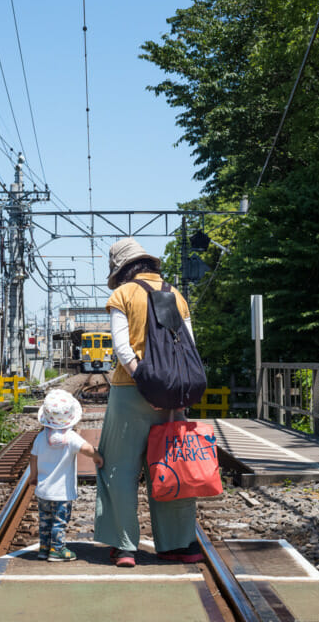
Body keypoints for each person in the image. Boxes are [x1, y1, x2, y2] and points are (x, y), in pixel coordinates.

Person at [93, 238, 204, 567]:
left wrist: (146, 383)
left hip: (131, 391)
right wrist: (167, 390)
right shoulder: (177, 295)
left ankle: (126, 546)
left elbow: (122, 348)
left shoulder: (123, 294)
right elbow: (190, 348)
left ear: (122, 269)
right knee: (172, 467)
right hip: (173, 395)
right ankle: (179, 544)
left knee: (117, 468)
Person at [29, 388, 103, 562]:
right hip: (62, 493)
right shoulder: (70, 437)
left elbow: (33, 457)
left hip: (44, 492)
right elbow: (86, 448)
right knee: (59, 522)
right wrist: (97, 456)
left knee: (45, 521)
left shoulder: (41, 437)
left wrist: (33, 476)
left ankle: (44, 548)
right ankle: (57, 550)